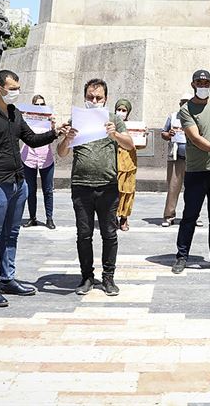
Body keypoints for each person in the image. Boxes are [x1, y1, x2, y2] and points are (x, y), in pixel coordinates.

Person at [0, 70, 68, 307]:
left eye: (17, 88)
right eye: (12, 88)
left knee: (11, 234)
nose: (15, 93)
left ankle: (7, 278)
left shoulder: (15, 113)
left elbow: (31, 140)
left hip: (18, 183)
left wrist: (56, 133)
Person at [57, 79, 134, 296]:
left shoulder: (113, 120)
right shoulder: (76, 120)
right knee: (84, 234)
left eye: (98, 98)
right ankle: (86, 277)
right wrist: (66, 139)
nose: (94, 100)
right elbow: (62, 153)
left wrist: (115, 134)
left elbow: (129, 144)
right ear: (84, 98)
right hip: (81, 186)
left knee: (109, 233)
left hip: (108, 185)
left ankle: (108, 277)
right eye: (90, 97)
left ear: (106, 99)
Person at [172, 69, 210, 274]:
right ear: (193, 85)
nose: (203, 86)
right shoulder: (186, 109)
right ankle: (182, 257)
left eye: (206, 83)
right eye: (199, 82)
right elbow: (196, 139)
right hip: (197, 171)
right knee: (190, 215)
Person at [160, 95, 202, 227]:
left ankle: (193, 216)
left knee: (194, 189)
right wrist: (169, 134)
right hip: (176, 158)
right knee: (173, 188)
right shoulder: (173, 117)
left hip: (193, 159)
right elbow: (163, 133)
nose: (184, 105)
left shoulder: (196, 118)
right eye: (182, 102)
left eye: (187, 102)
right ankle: (168, 216)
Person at [21, 94, 56, 229]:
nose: (40, 108)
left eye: (42, 105)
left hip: (45, 158)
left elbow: (54, 136)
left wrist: (53, 125)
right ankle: (32, 217)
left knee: (48, 190)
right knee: (30, 190)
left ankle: (49, 218)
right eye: (37, 105)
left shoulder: (48, 120)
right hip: (28, 157)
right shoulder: (27, 120)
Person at [115, 98, 138, 232]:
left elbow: (140, 145)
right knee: (114, 191)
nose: (121, 112)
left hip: (129, 161)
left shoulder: (134, 127)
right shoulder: (111, 124)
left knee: (128, 191)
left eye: (124, 110)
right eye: (119, 110)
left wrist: (142, 135)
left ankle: (124, 218)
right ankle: (113, 217)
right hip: (115, 161)